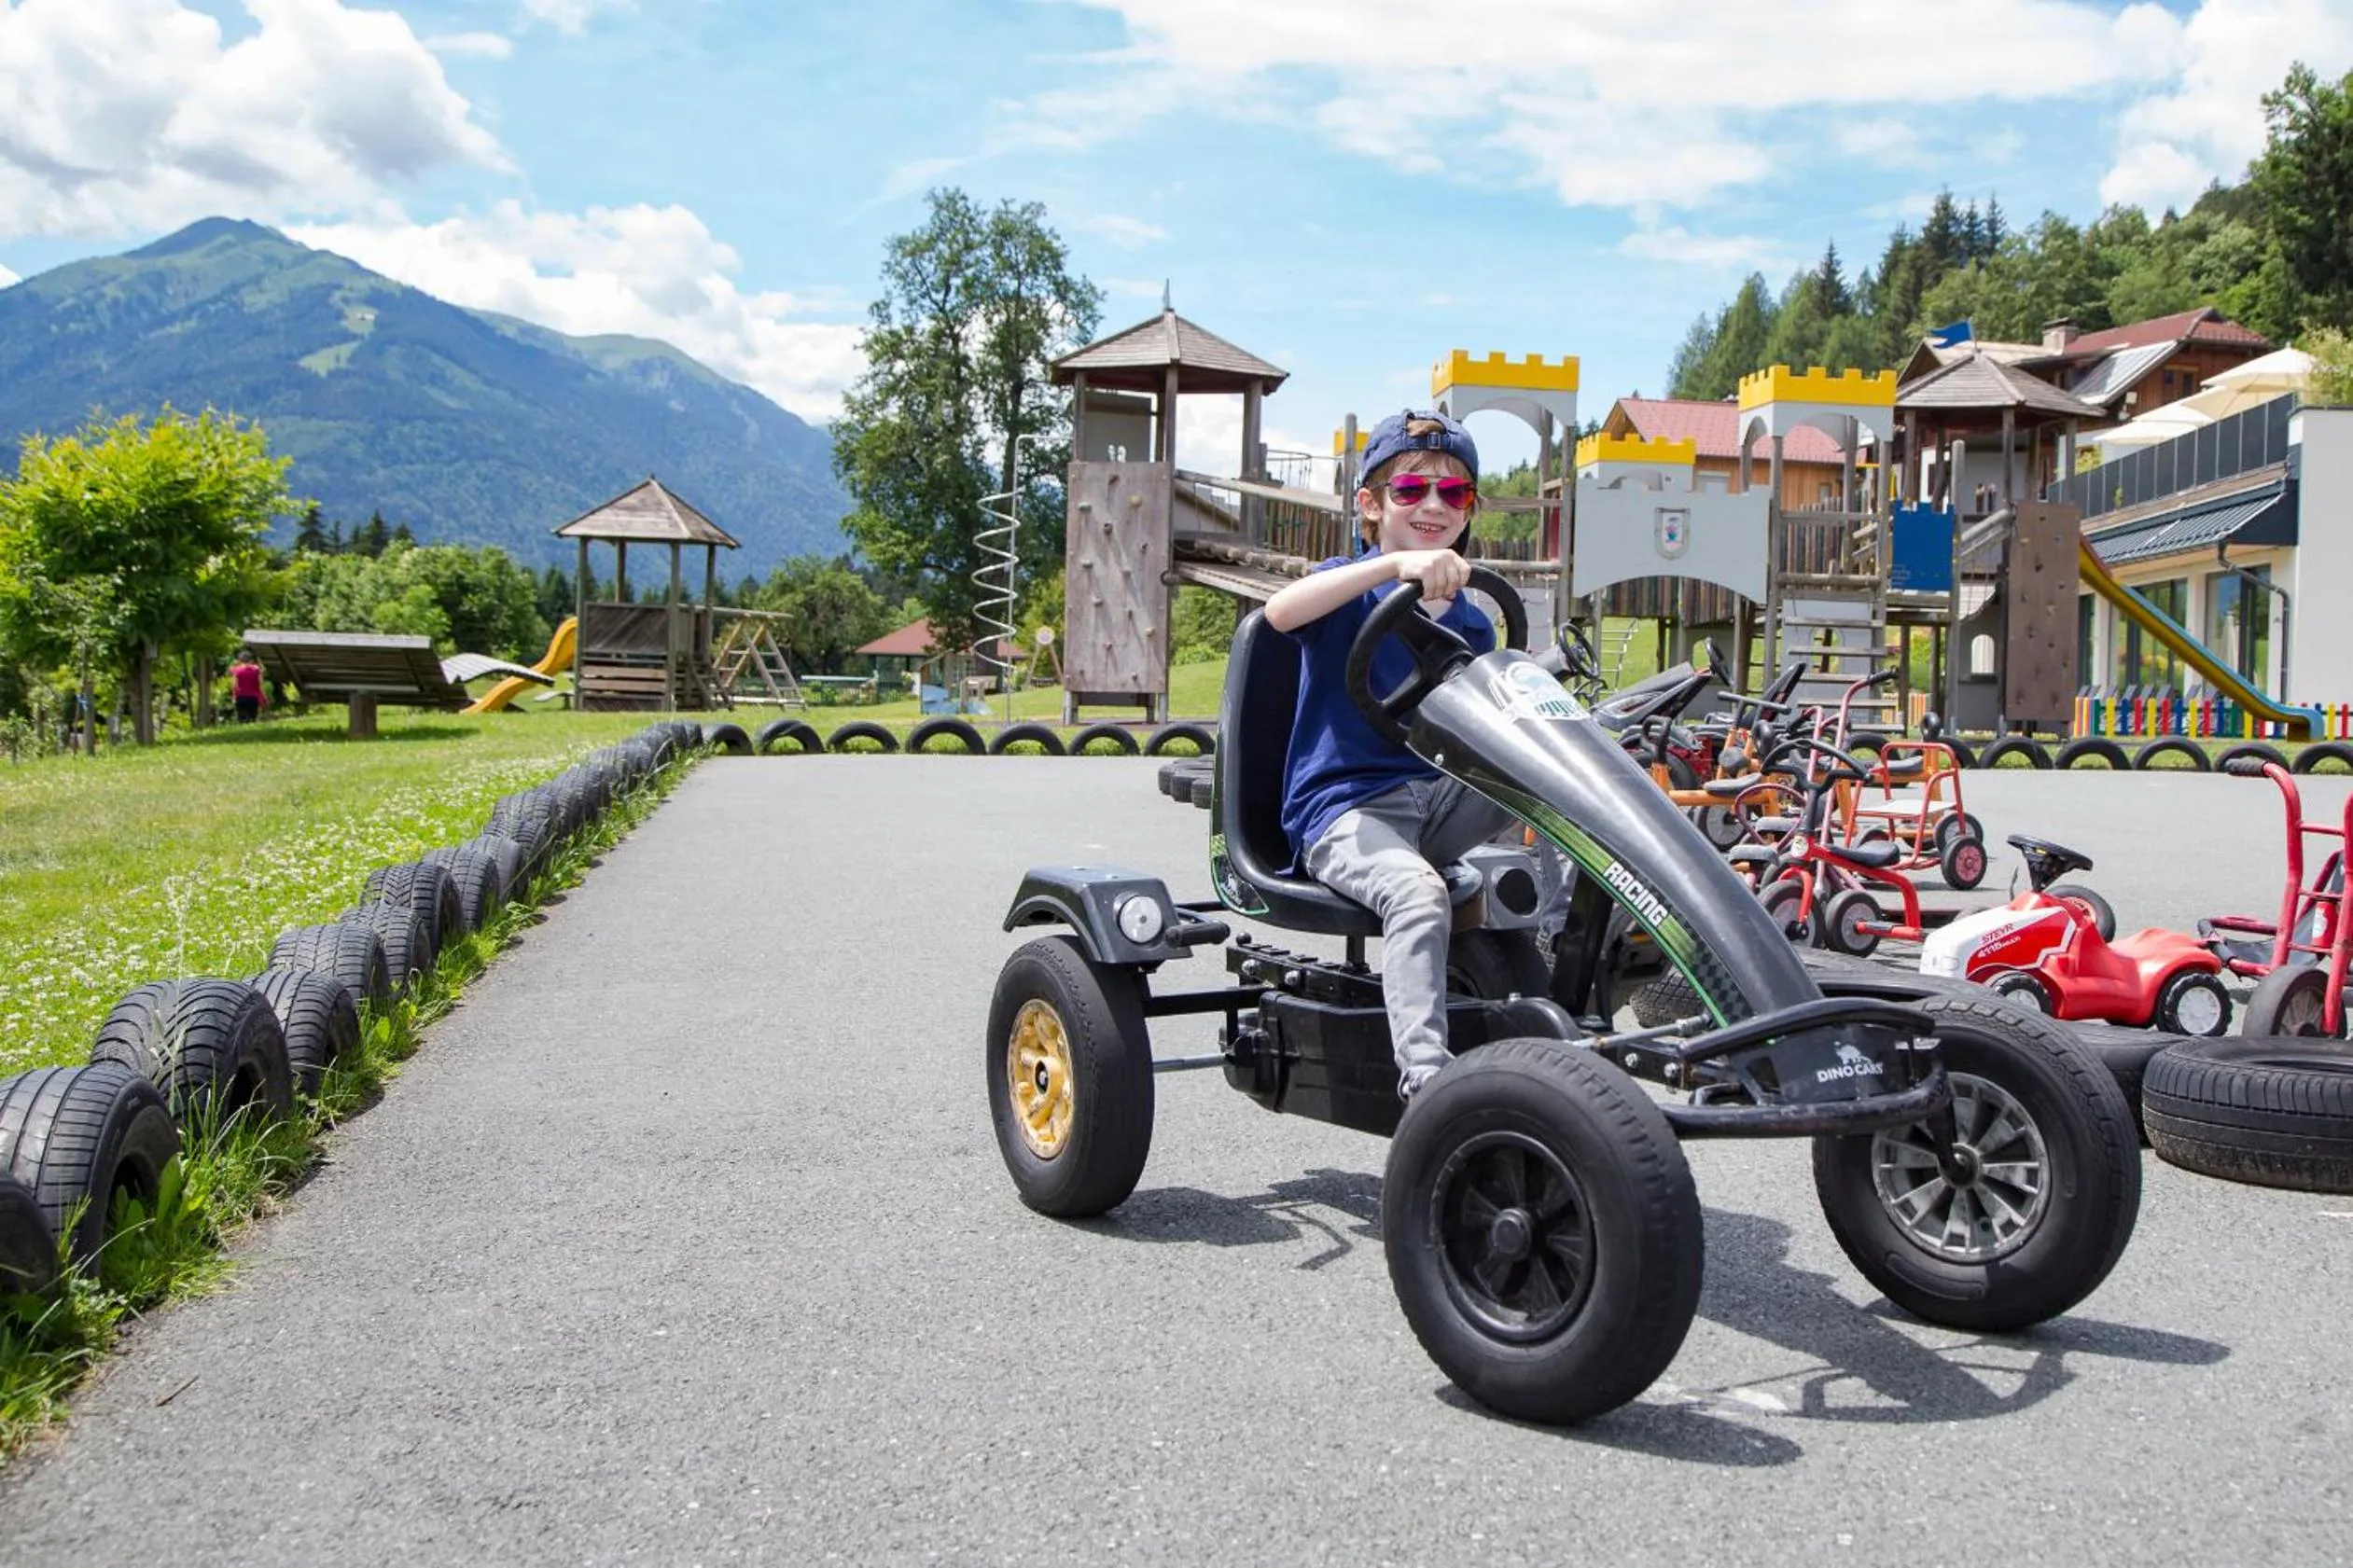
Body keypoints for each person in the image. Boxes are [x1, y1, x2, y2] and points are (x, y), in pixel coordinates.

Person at [1263, 409, 1520, 1102]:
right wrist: (1392, 565)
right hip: (1344, 809)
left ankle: (1573, 985)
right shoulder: (1346, 588)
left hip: (1434, 803)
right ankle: (1430, 1088)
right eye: (1410, 490)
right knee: (1417, 890)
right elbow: (1279, 613)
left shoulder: (1470, 617)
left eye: (1454, 494)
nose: (1433, 506)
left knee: (1558, 794)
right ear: (1371, 507)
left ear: (1469, 511)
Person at [230, 648, 267, 724]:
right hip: (253, 698)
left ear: (239, 660)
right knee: (252, 719)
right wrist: (264, 696)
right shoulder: (257, 670)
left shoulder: (236, 670)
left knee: (242, 719)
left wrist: (234, 696)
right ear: (251, 660)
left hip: (241, 697)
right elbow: (260, 684)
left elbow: (234, 685)